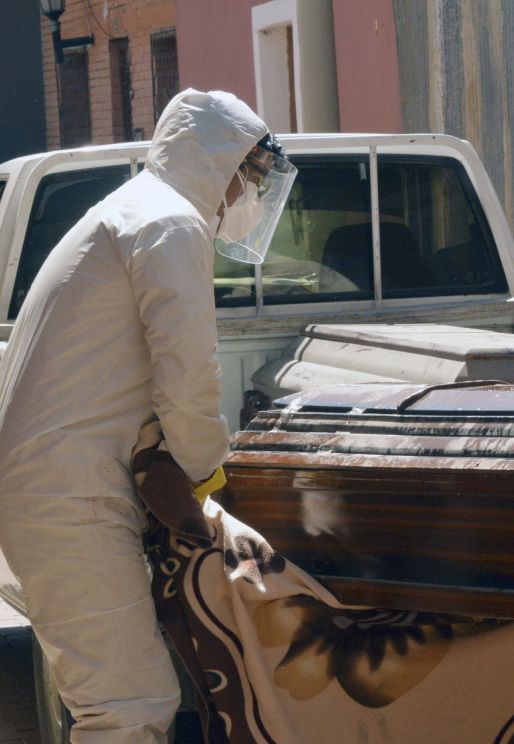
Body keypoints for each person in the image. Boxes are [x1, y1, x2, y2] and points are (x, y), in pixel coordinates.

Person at [0, 89, 295, 743]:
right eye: (250, 177)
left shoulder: (139, 212)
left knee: (131, 701)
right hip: (67, 496)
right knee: (127, 709)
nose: (250, 197)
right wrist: (206, 479)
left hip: (65, 488)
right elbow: (188, 377)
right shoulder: (169, 222)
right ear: (216, 162)